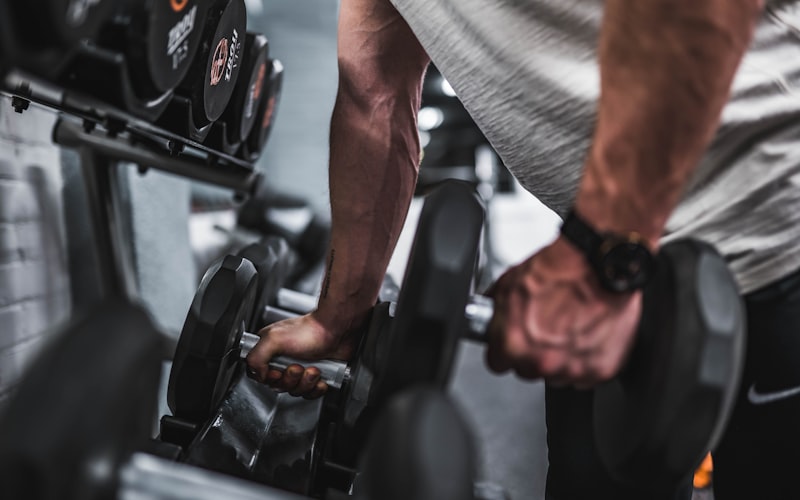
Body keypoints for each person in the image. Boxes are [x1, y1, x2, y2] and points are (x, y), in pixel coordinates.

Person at [246, 0, 800, 498]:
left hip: (775, 232)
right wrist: (341, 316)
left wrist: (599, 255)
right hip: (624, 259)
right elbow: (375, 98)